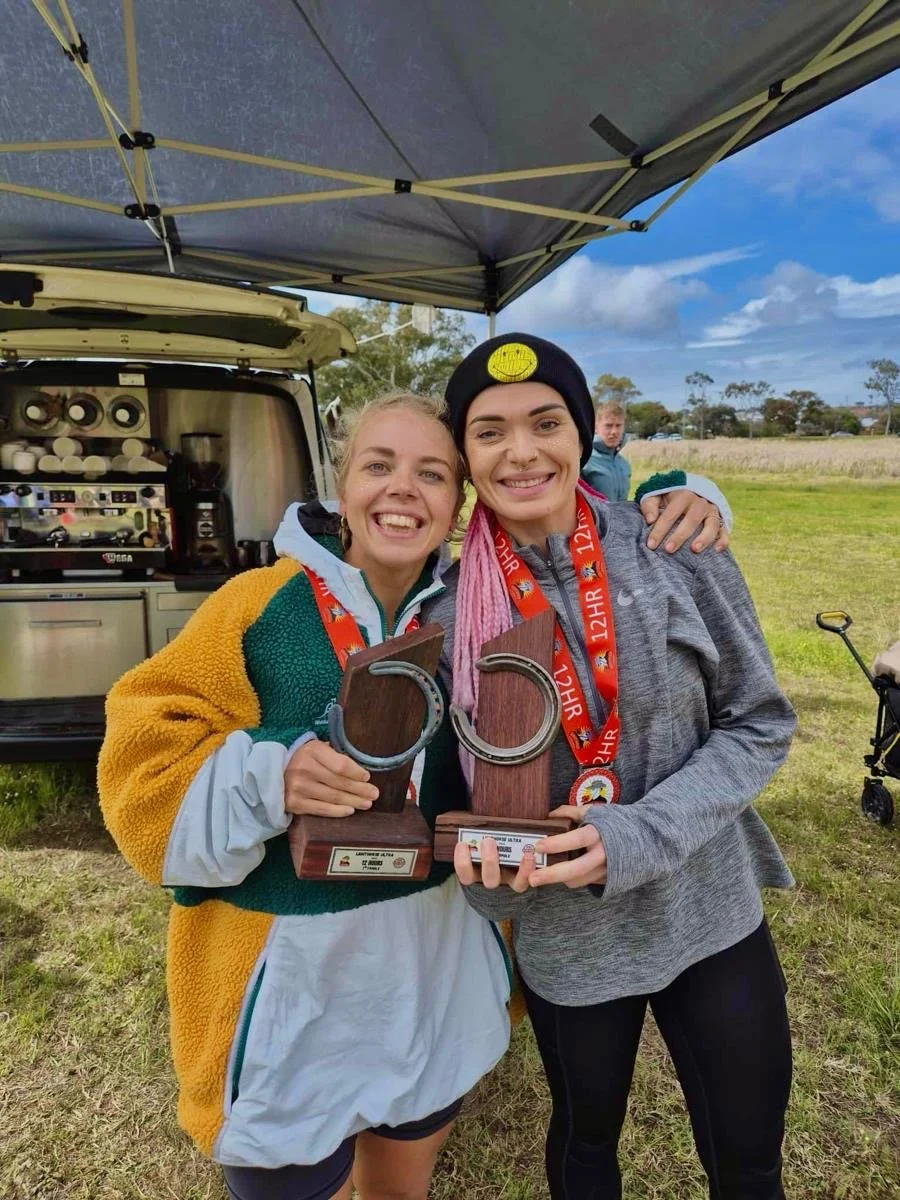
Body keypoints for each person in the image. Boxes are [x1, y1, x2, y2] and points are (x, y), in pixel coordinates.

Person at [97, 389, 728, 1200]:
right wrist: (267, 773)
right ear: (342, 485)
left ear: (459, 499)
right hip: (290, 998)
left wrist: (684, 493)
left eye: (432, 473)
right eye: (379, 465)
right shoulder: (254, 606)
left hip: (431, 980)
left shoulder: (485, 603)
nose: (403, 488)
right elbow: (143, 764)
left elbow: (590, 565)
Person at [430, 333, 797, 1200]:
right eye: (489, 432)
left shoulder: (677, 547)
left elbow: (759, 722)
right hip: (571, 938)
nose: (521, 452)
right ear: (467, 458)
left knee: (749, 1159)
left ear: (582, 433)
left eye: (545, 422)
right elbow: (454, 794)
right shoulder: (448, 613)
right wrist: (486, 874)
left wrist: (640, 834)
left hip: (709, 911)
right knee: (586, 1145)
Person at [582, 398, 630, 500]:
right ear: (595, 427)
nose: (614, 431)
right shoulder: (584, 460)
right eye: (608, 426)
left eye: (618, 426)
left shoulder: (624, 464)